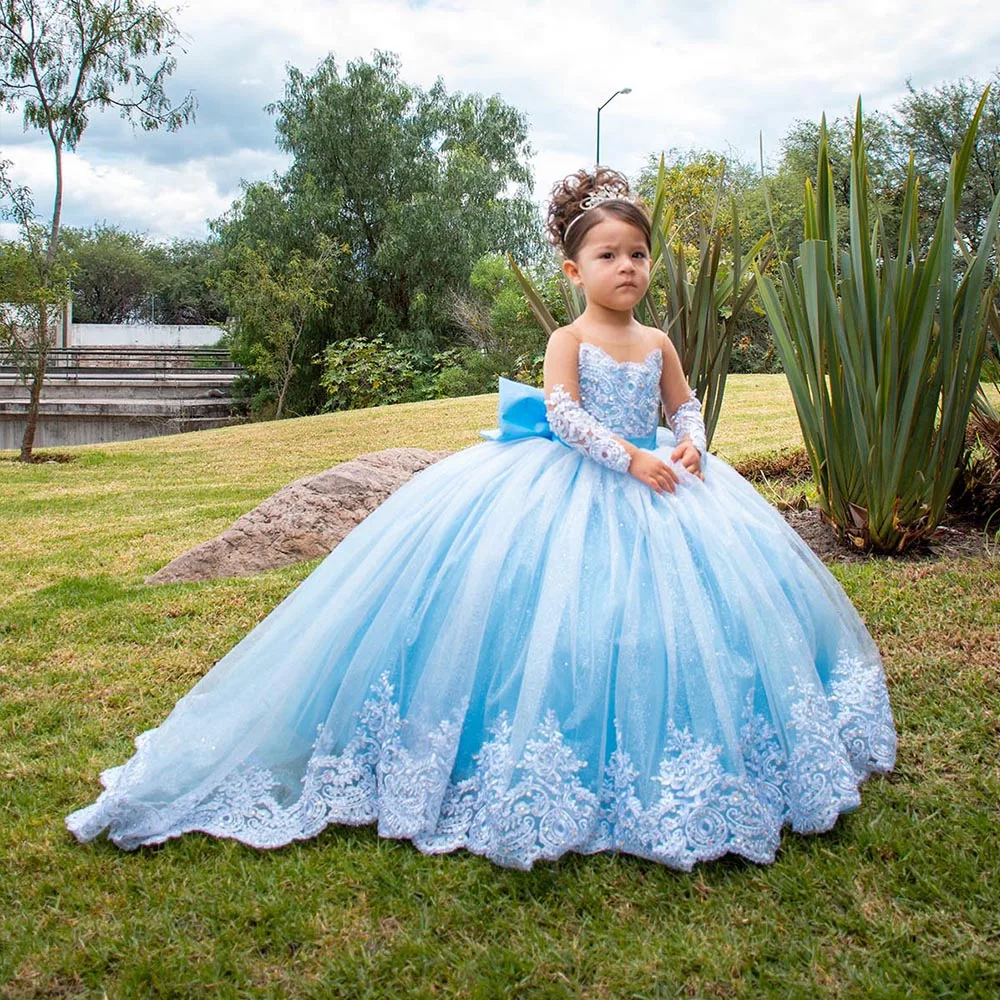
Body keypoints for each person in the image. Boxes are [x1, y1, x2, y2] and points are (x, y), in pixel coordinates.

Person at [66, 167, 897, 872]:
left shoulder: (660, 340)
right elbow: (565, 418)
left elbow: (686, 409)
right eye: (608, 255)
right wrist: (629, 456)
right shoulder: (570, 338)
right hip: (573, 481)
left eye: (638, 254)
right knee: (537, 615)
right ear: (574, 270)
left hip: (667, 489)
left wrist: (687, 446)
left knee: (674, 622)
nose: (628, 268)